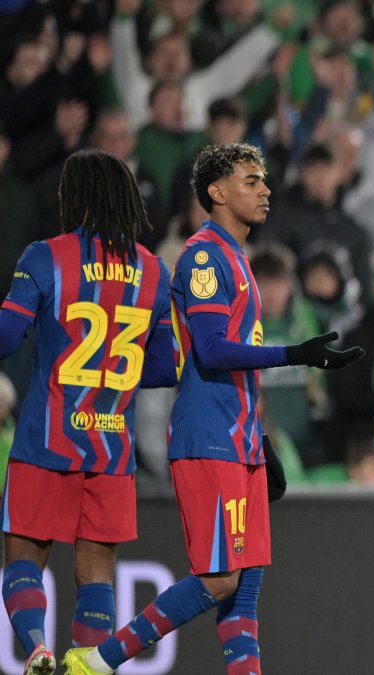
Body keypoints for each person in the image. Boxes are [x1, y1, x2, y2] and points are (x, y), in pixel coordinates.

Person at [63, 143, 364, 675]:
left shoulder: (237, 258)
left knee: (245, 584)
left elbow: (226, 363)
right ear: (217, 193)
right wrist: (295, 354)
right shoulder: (204, 255)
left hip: (239, 441)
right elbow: (211, 350)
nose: (266, 189)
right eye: (251, 181)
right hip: (208, 439)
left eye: (266, 180)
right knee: (222, 578)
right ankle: (99, 662)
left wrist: (261, 441)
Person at [0, 150, 176, 675]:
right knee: (96, 571)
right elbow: (164, 367)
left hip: (45, 438)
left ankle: (35, 649)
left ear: (73, 198)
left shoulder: (45, 256)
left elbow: (6, 339)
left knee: (24, 558)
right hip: (111, 443)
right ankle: (87, 666)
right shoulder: (153, 271)